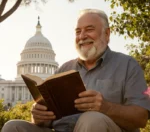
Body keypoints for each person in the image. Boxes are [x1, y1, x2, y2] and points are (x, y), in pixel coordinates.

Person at [2, 9, 150, 132]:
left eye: (89, 29)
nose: (82, 36)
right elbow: (46, 121)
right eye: (78, 31)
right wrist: (39, 116)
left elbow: (141, 118)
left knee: (91, 119)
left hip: (100, 127)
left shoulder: (127, 65)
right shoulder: (65, 69)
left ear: (107, 33)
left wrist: (106, 107)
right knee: (13, 127)